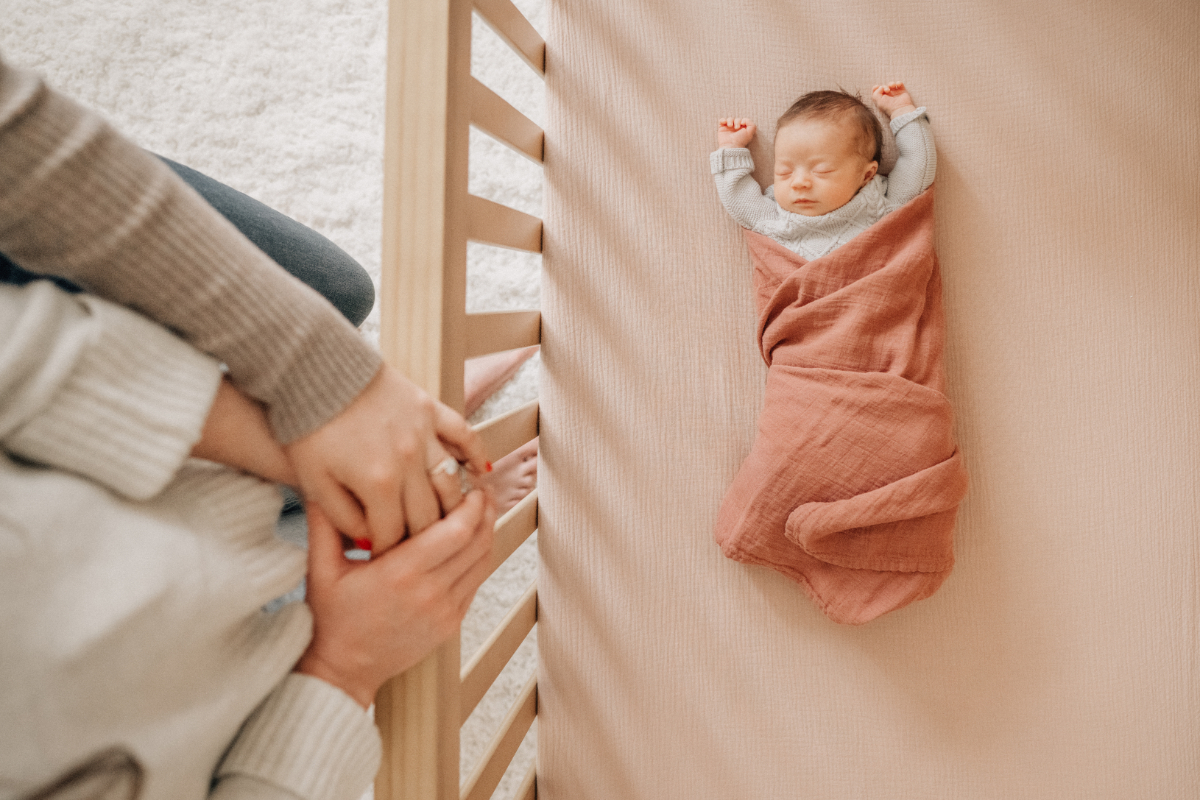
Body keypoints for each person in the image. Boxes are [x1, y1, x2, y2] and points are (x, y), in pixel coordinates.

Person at [0, 53, 493, 798]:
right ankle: (392, 433)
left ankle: (367, 425)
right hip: (196, 658)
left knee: (332, 295)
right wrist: (340, 668)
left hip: (61, 406)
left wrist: (311, 383)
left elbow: (22, 348)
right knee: (400, 548)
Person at [711, 82, 935, 259]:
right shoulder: (774, 218)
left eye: (822, 171)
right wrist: (731, 148)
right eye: (784, 172)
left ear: (866, 175)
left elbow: (917, 166)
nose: (798, 183)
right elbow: (738, 198)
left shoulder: (878, 203)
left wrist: (902, 112)